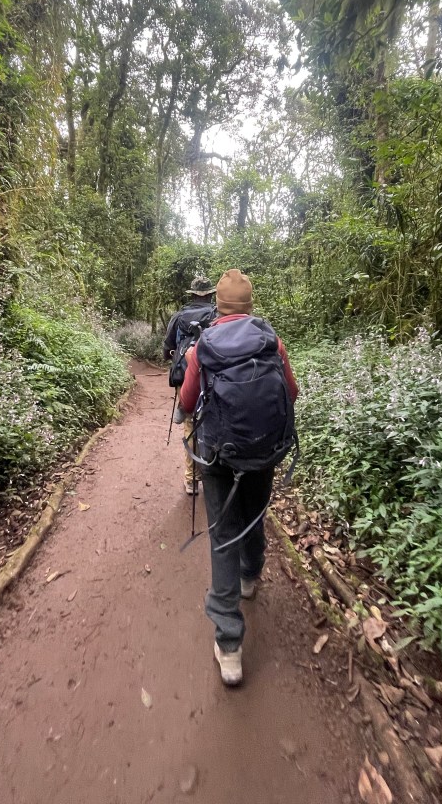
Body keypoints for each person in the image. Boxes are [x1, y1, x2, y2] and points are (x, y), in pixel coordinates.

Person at [179, 268, 298, 686]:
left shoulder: (204, 345)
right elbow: (291, 392)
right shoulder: (271, 341)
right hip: (263, 450)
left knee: (223, 534)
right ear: (249, 305)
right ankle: (251, 576)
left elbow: (187, 401)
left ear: (218, 305)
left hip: (217, 455)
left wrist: (186, 410)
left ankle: (229, 645)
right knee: (254, 514)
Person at [163, 275, 216, 494]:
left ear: (193, 295)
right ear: (210, 295)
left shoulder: (179, 316)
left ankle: (192, 479)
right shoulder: (217, 315)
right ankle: (214, 475)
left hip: (185, 376)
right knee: (213, 422)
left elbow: (167, 349)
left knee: (190, 425)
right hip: (213, 376)